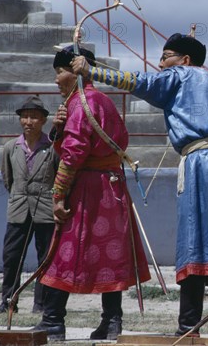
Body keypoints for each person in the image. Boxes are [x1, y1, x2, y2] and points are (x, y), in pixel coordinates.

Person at [71, 33, 208, 341]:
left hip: (203, 165)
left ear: (185, 60)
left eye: (166, 57)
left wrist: (90, 70)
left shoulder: (180, 75)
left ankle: (187, 329)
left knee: (194, 243)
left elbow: (139, 82)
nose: (160, 65)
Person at [32, 46, 151, 341]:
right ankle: (112, 322)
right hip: (112, 188)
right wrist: (58, 131)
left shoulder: (82, 102)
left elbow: (73, 155)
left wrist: (58, 195)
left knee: (63, 249)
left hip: (88, 188)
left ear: (76, 70)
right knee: (110, 255)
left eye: (60, 72)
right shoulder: (102, 101)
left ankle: (53, 321)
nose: (57, 80)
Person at [0, 96, 57, 314]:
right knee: (11, 257)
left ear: (43, 121)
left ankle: (41, 304)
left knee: (45, 259)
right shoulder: (11, 148)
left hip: (45, 210)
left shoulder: (52, 149)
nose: (28, 121)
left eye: (34, 117)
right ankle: (8, 300)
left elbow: (60, 179)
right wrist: (20, 196)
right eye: (25, 117)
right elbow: (8, 179)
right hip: (18, 210)